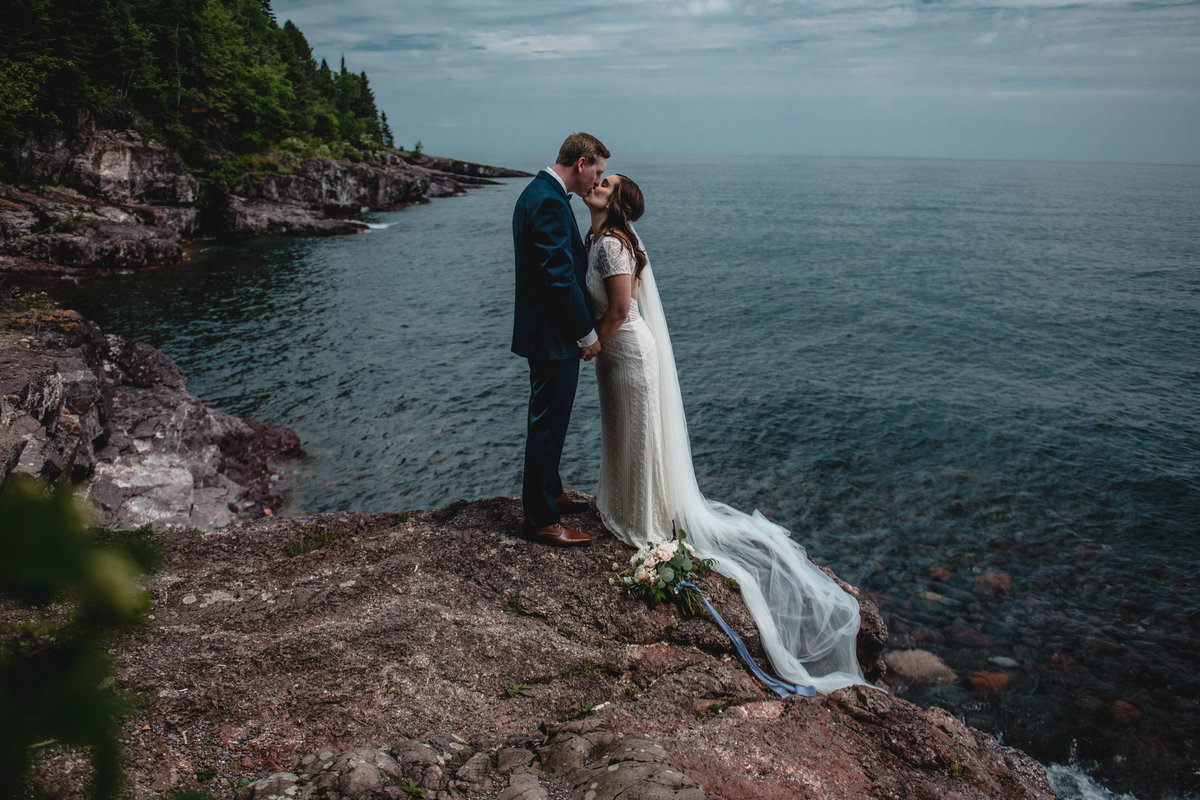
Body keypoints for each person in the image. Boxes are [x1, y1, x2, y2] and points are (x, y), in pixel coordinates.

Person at [581, 174, 868, 693]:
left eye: (608, 182)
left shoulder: (612, 246)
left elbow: (622, 310)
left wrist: (591, 345)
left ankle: (640, 518)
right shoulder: (596, 239)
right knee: (623, 432)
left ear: (616, 201)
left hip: (626, 352)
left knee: (638, 435)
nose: (597, 182)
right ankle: (622, 503)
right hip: (617, 354)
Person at [511, 132, 609, 547]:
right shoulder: (549, 201)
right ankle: (541, 519)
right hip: (553, 336)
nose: (598, 183)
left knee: (550, 419)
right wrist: (586, 334)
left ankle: (550, 491)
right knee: (548, 425)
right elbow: (558, 278)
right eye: (598, 172)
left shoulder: (537, 193)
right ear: (581, 162)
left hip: (543, 333)